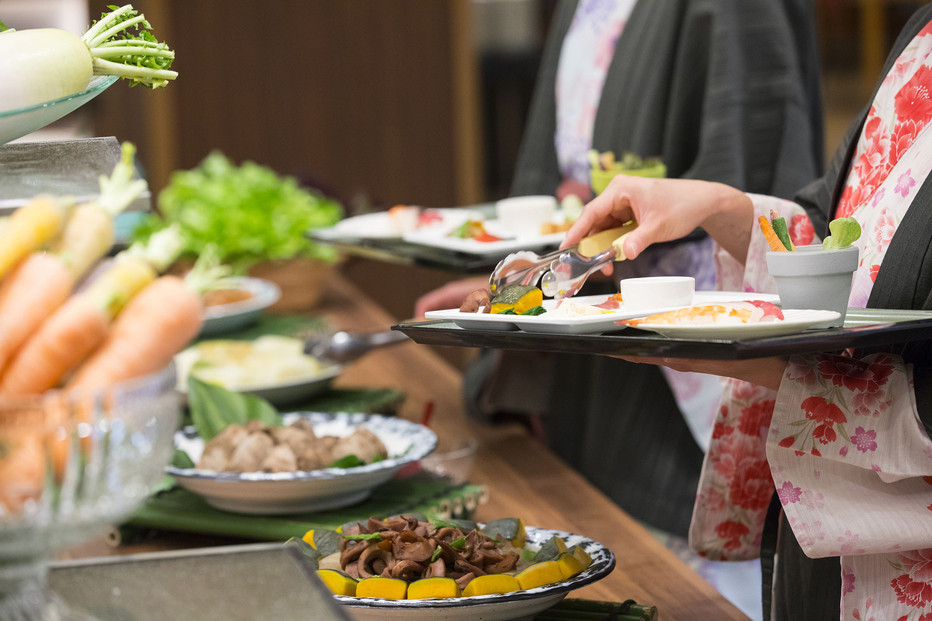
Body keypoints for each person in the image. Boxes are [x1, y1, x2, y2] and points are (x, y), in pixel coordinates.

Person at [417, 3, 823, 613]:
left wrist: (657, 216)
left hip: (683, 361)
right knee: (587, 551)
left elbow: (760, 182)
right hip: (594, 325)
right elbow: (560, 180)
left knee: (684, 588)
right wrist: (523, 282)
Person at [559, 5, 932, 618]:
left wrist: (788, 369)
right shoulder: (922, 32)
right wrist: (712, 205)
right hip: (827, 567)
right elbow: (836, 235)